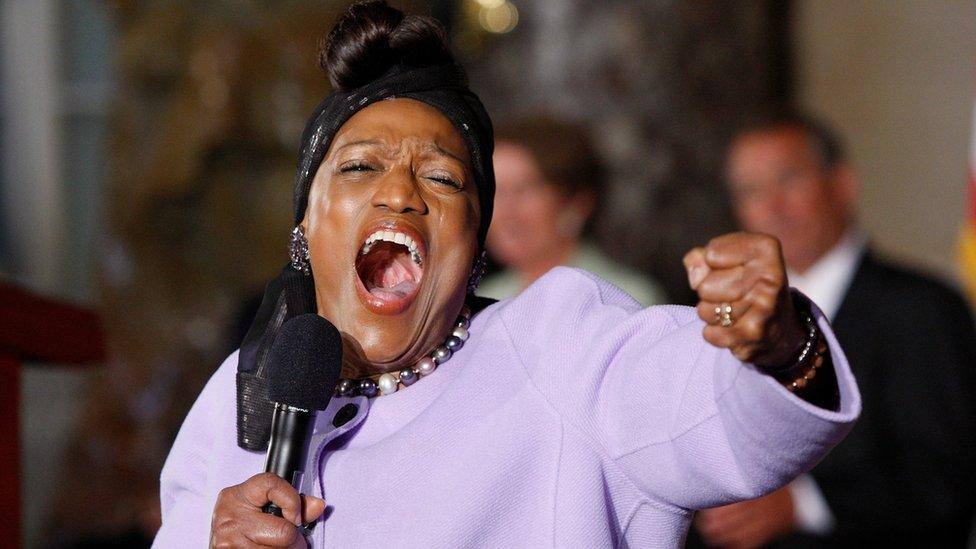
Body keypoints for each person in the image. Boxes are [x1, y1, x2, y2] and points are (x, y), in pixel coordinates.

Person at [152, 4, 860, 547]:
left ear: (474, 245)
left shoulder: (562, 346)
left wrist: (778, 342)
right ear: (306, 226)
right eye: (362, 166)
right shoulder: (238, 399)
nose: (400, 194)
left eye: (441, 177)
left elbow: (715, 419)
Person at [693, 111, 976, 548]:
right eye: (751, 191)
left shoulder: (921, 309)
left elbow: (944, 484)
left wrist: (803, 506)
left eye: (788, 179)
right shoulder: (722, 316)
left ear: (842, 184)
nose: (772, 206)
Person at [479, 115, 666, 306]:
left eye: (526, 189)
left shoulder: (627, 298)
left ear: (577, 203)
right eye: (495, 191)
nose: (506, 211)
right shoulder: (484, 301)